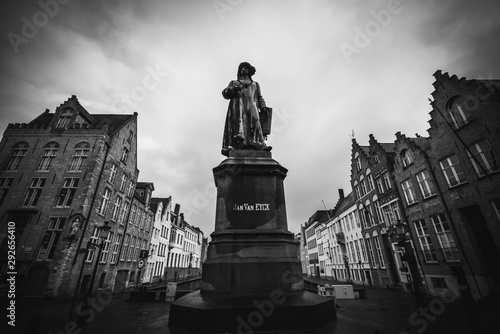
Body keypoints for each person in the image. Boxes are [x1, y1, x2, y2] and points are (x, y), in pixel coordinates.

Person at [221, 62, 272, 156]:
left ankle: (260, 144)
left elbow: (260, 97)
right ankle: (238, 144)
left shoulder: (255, 84)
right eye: (241, 68)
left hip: (252, 107)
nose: (243, 70)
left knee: (256, 123)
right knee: (238, 124)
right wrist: (233, 89)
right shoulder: (234, 83)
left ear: (249, 71)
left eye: (245, 68)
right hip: (238, 107)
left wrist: (263, 107)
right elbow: (225, 93)